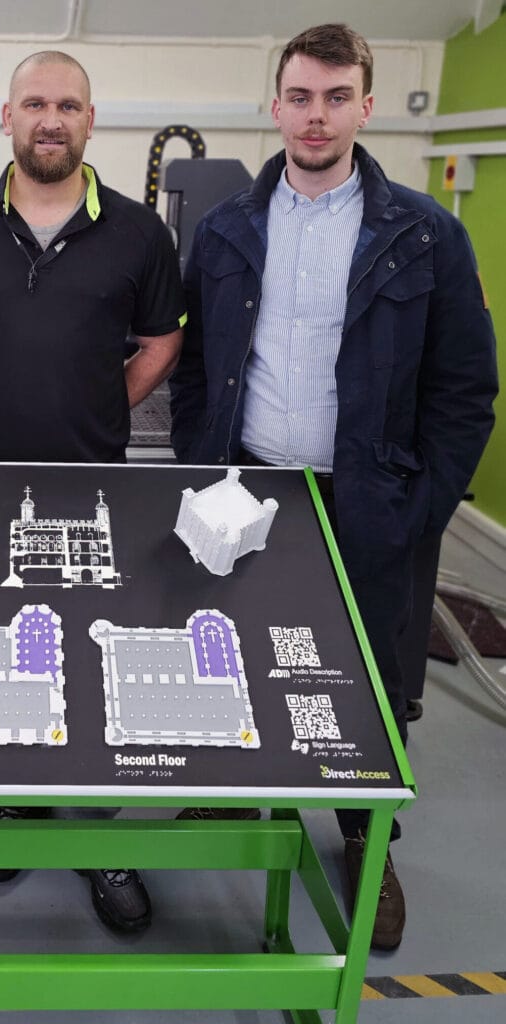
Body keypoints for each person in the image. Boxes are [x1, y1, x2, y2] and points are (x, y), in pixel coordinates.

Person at [169, 24, 497, 950]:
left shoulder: (425, 235)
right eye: (301, 97)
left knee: (371, 680)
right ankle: (231, 799)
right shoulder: (230, 225)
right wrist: (208, 460)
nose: (318, 116)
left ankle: (365, 836)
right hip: (252, 486)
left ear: (366, 104)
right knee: (232, 650)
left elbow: (466, 388)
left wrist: (422, 507)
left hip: (370, 496)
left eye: (337, 96)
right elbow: (198, 364)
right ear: (276, 106)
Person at [0, 50, 185, 934]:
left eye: (68, 104)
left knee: (90, 653)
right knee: (6, 651)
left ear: (90, 120)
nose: (51, 119)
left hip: (93, 486)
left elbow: (159, 344)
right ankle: (17, 803)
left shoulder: (142, 234)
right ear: (7, 116)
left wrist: (100, 404)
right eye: (35, 103)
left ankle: (98, 830)